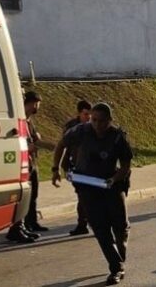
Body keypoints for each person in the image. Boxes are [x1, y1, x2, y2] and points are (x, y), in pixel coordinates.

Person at [52, 103, 132, 286]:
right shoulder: (80, 131)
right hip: (87, 186)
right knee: (100, 229)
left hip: (111, 185)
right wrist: (55, 169)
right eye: (93, 120)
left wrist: (114, 179)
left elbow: (126, 165)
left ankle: (120, 250)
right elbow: (61, 145)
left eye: (101, 121)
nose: (97, 124)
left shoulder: (118, 137)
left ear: (109, 121)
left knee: (120, 226)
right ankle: (116, 267)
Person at [6, 91, 45, 243]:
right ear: (27, 103)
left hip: (31, 162)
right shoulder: (18, 120)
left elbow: (32, 139)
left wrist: (36, 138)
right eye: (35, 104)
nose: (37, 107)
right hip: (22, 162)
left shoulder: (28, 122)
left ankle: (28, 223)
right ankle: (16, 228)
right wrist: (27, 147)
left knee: (31, 195)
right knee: (22, 196)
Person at [62, 100, 92, 236]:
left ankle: (96, 224)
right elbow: (65, 147)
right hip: (78, 167)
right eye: (86, 114)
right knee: (83, 197)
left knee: (93, 198)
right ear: (79, 114)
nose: (89, 117)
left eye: (90, 114)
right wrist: (63, 165)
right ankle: (82, 224)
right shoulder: (72, 127)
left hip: (94, 167)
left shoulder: (95, 125)